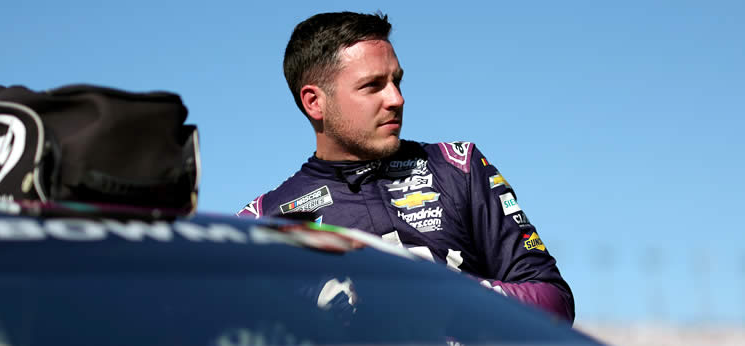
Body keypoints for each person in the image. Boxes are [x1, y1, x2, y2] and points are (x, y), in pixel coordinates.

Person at [237, 11, 574, 323]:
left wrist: (445, 295)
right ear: (315, 102)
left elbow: (554, 301)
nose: (396, 98)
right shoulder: (264, 222)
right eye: (373, 86)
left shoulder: (458, 167)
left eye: (396, 81)